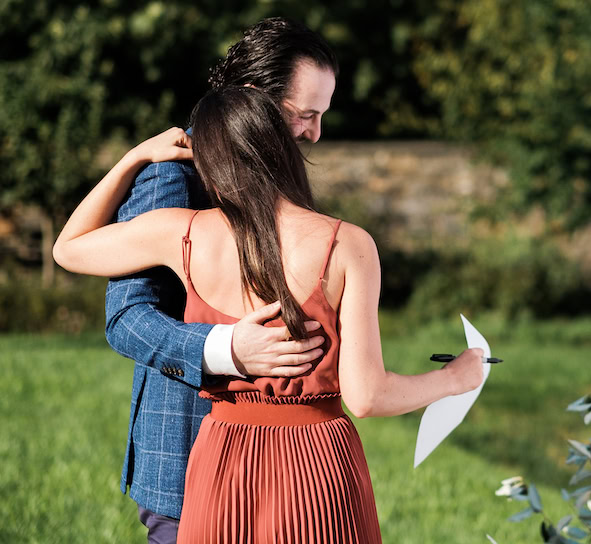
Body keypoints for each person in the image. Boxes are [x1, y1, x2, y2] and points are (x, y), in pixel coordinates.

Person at [54, 86, 486, 542]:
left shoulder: (182, 233)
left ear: (211, 165)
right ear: (283, 148)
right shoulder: (348, 244)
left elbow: (68, 248)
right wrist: (454, 378)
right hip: (317, 464)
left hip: (218, 460)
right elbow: (367, 397)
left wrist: (134, 158)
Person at [102, 18, 345, 543]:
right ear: (256, 98)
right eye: (305, 114)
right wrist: (228, 349)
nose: (315, 133)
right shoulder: (173, 171)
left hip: (281, 467)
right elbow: (126, 318)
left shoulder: (276, 176)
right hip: (188, 458)